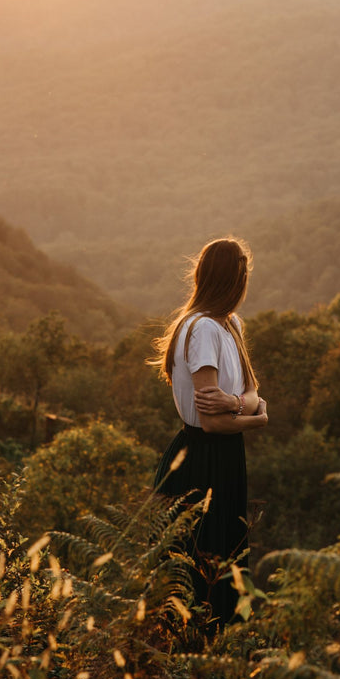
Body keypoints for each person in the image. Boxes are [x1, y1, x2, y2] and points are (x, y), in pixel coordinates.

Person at [150, 237, 268, 629]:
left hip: (227, 458)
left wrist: (238, 405)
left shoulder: (230, 324)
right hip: (202, 461)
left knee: (227, 565)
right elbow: (216, 420)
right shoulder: (203, 330)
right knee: (199, 576)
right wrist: (256, 417)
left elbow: (251, 393)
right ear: (237, 279)